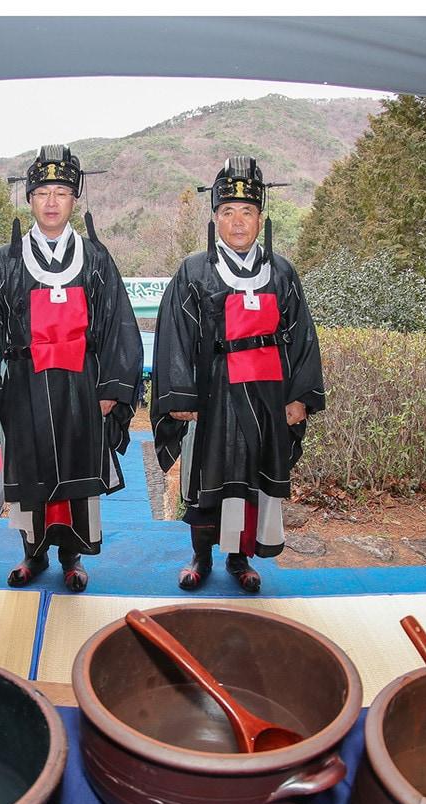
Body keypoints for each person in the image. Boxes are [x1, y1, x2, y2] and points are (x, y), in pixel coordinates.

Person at [0, 144, 142, 592]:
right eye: (43, 192)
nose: (51, 201)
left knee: (78, 474)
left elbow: (118, 325)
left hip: (81, 385)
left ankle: (74, 556)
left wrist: (112, 390)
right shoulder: (5, 261)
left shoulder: (96, 259)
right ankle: (32, 554)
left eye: (61, 192)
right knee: (31, 471)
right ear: (30, 198)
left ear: (74, 201)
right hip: (25, 383)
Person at [151, 157, 325, 592]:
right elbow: (173, 337)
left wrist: (298, 397)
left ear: (260, 217)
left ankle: (241, 558)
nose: (238, 221)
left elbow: (302, 335)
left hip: (267, 395)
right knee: (208, 475)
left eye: (247, 212)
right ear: (214, 218)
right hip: (214, 393)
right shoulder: (194, 271)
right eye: (227, 212)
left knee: (252, 474)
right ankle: (200, 556)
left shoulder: (281, 272)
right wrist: (181, 396)